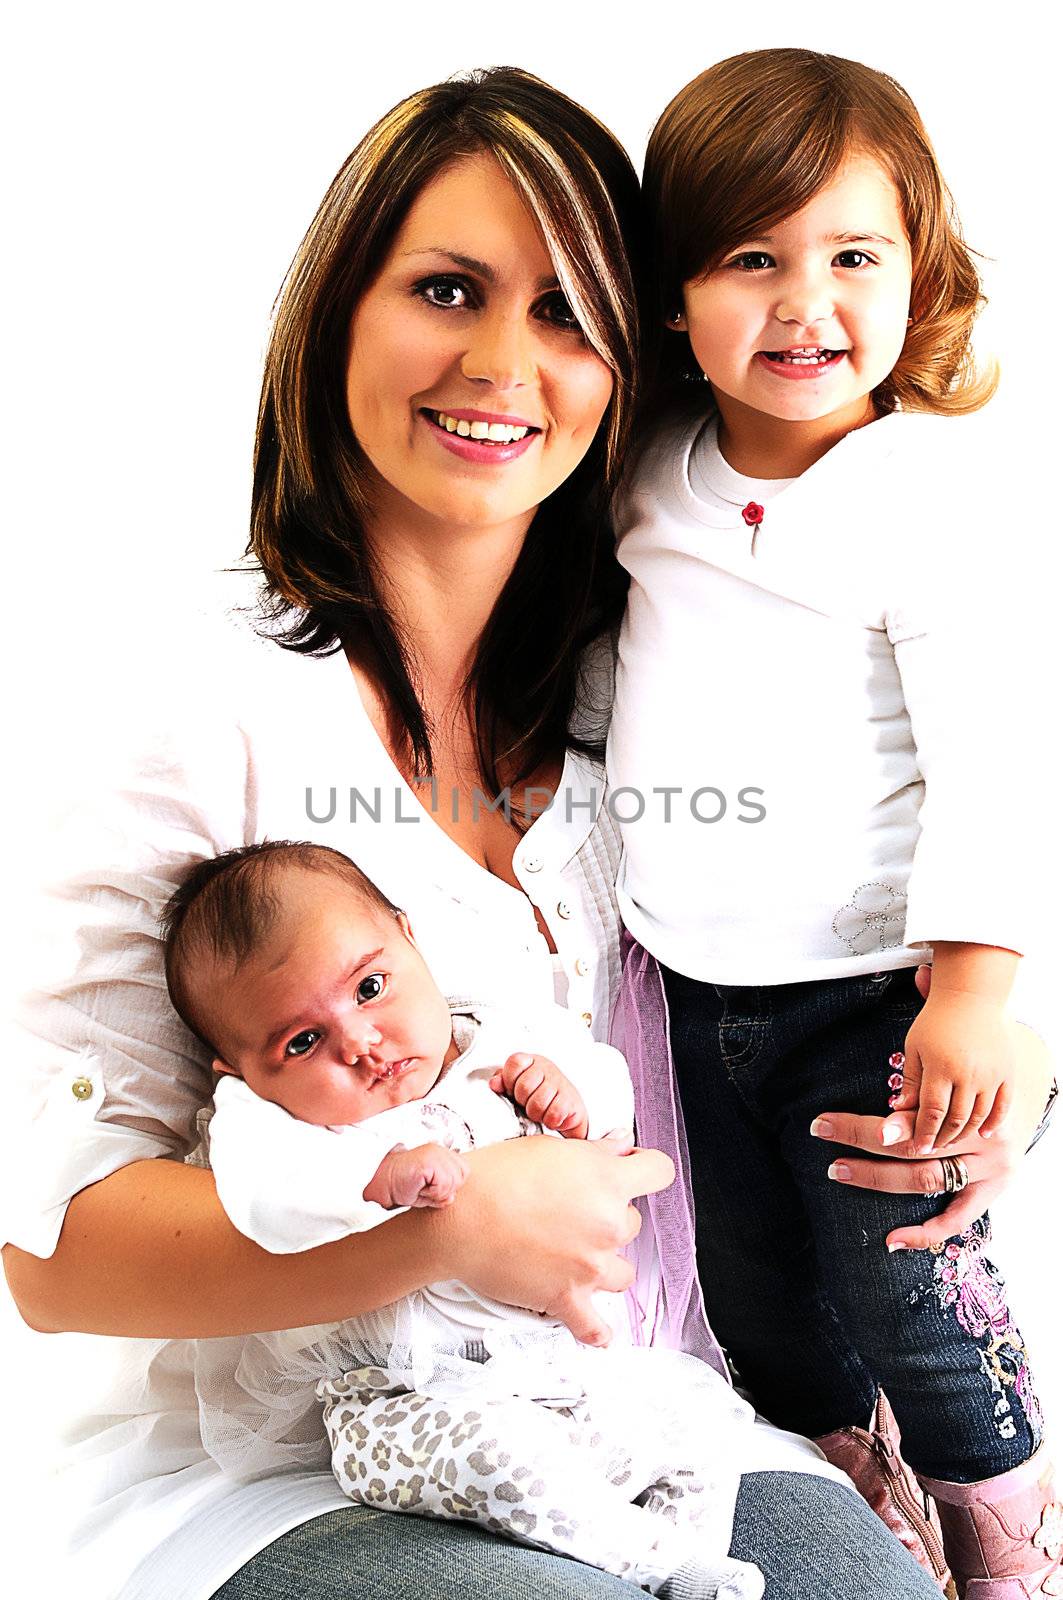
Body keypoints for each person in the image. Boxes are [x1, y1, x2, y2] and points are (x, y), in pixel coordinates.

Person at [2, 65, 1048, 1600]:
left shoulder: (628, 700)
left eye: (566, 314)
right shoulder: (198, 719)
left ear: (634, 365)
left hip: (625, 1412)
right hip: (283, 1470)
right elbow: (50, 1258)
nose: (503, 361)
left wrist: (978, 1092)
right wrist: (439, 1234)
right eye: (446, 290)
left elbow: (880, 887)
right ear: (336, 320)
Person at [608, 47, 1060, 1598]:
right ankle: (851, 1505)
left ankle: (1001, 1531)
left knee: (910, 1286)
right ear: (669, 294)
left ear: (916, 276)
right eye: (749, 259)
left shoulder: (921, 487)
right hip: (691, 988)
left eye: (850, 257)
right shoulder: (649, 471)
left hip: (875, 984)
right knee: (755, 1301)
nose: (804, 306)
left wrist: (978, 990)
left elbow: (1002, 747)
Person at [165, 837, 769, 1600]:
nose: (360, 1043)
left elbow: (610, 1106)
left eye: (371, 986)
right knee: (499, 1456)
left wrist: (566, 1095)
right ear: (240, 1073)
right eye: (303, 1041)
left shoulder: (499, 1040)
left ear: (410, 936)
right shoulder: (276, 1124)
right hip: (411, 1412)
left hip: (572, 1388)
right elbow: (261, 1205)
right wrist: (367, 1182)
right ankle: (659, 1567)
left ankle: (685, 1556)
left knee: (701, 1413)